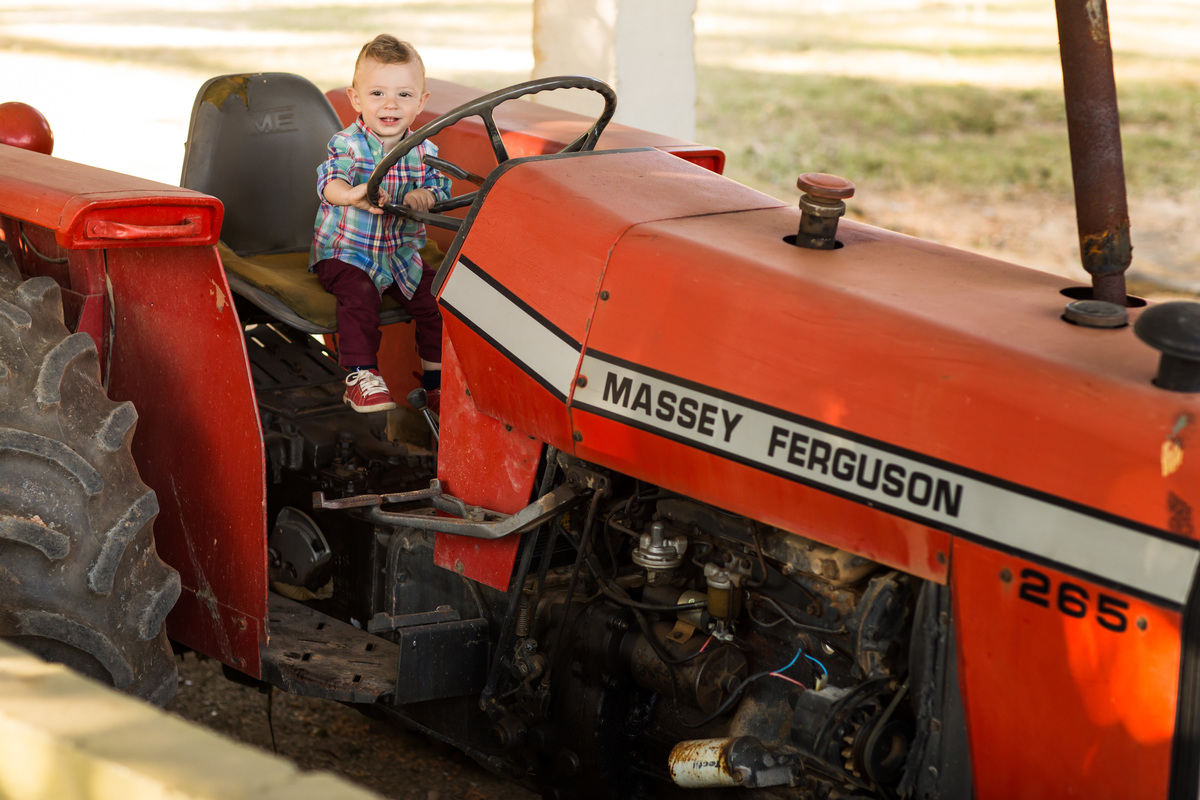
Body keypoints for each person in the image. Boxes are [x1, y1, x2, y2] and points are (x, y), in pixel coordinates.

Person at [310, 34, 452, 413]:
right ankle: (361, 377)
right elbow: (330, 182)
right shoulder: (347, 144)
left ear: (421, 102)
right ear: (356, 99)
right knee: (359, 296)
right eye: (377, 94)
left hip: (401, 255)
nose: (390, 104)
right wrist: (350, 194)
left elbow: (441, 187)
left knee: (437, 300)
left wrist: (425, 195)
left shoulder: (425, 150)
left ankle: (436, 385)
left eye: (404, 95)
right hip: (346, 253)